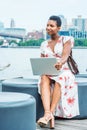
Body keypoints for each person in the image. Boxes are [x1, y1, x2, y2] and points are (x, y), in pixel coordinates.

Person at [37, 15, 79, 129]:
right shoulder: (44, 44)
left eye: (52, 25)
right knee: (44, 77)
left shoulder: (67, 39)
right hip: (49, 71)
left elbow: (65, 55)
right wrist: (40, 67)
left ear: (59, 28)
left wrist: (60, 62)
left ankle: (48, 115)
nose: (48, 27)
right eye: (47, 25)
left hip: (64, 71)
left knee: (60, 78)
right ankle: (48, 114)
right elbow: (41, 61)